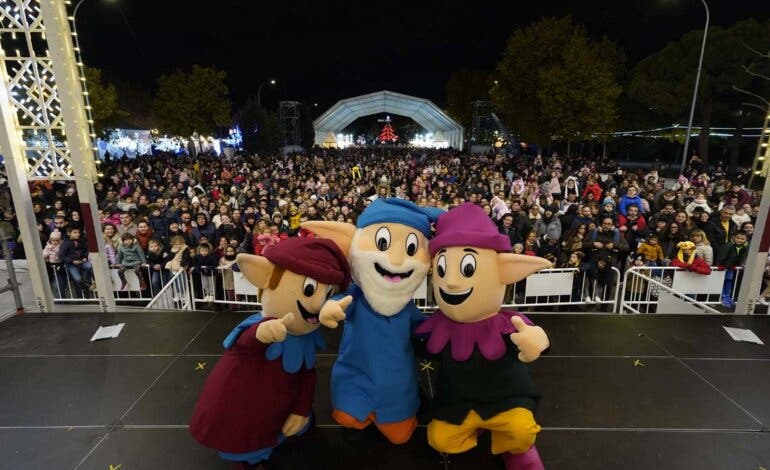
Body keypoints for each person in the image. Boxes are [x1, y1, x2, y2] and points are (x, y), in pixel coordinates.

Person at [717, 230, 749, 309]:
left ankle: (727, 297)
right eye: (738, 238)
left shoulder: (742, 246)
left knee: (729, 282)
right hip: (724, 268)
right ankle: (723, 298)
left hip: (731, 268)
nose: (740, 240)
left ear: (745, 239)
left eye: (742, 239)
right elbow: (721, 257)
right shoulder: (728, 245)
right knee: (723, 282)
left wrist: (734, 265)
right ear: (733, 237)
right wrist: (721, 266)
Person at [58, 227, 93, 296]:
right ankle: (85, 287)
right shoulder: (65, 243)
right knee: (78, 279)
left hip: (82, 261)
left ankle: (87, 282)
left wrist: (85, 257)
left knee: (89, 266)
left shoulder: (81, 241)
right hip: (71, 264)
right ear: (69, 233)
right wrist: (72, 261)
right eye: (75, 233)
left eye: (78, 232)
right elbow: (62, 256)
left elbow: (86, 250)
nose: (77, 234)